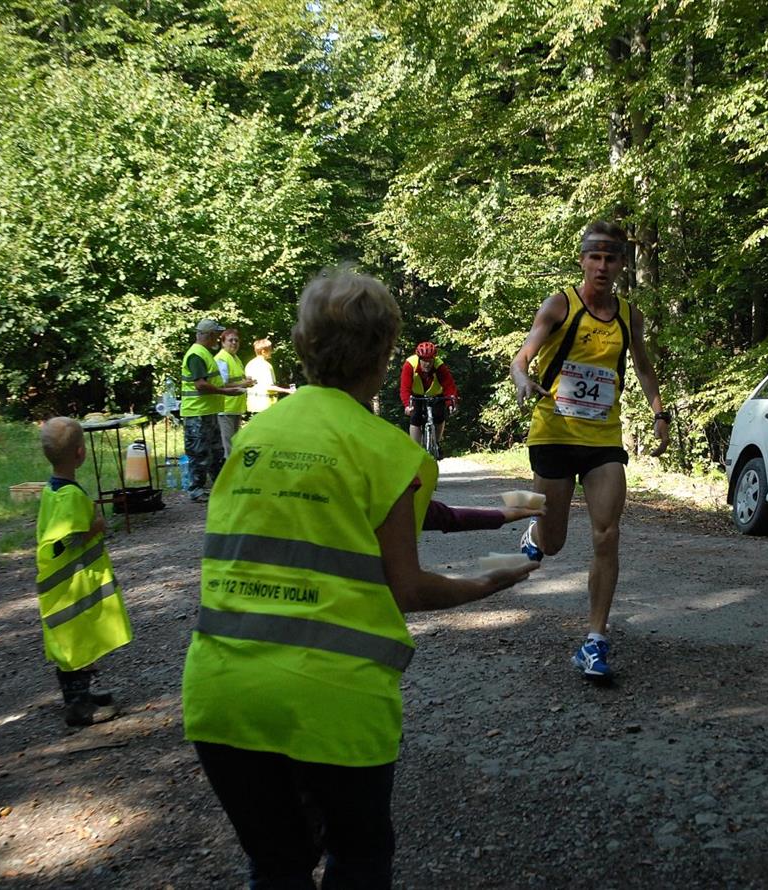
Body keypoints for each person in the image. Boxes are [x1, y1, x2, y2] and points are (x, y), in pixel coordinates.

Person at [181, 269, 538, 889]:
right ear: (384, 353)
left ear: (302, 345)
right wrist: (487, 584)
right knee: (360, 858)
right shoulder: (388, 450)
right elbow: (409, 588)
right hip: (335, 697)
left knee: (276, 866)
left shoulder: (253, 437)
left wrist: (497, 515)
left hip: (223, 691)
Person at [509, 220, 670, 681]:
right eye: (594, 257)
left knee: (607, 533)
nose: (602, 266)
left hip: (603, 439)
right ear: (582, 260)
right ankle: (535, 535)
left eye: (610, 258)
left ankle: (595, 640)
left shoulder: (629, 316)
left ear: (621, 264)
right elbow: (522, 357)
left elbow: (643, 367)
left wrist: (660, 413)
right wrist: (523, 379)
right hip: (554, 433)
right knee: (554, 543)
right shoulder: (560, 304)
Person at [35, 417, 133, 727]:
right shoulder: (71, 497)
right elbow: (69, 539)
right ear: (80, 453)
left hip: (67, 585)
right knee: (74, 643)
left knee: (78, 640)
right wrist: (97, 526)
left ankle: (83, 695)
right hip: (70, 585)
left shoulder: (52, 490)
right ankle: (78, 707)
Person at [179, 319, 247, 503]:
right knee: (199, 452)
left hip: (208, 411)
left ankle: (220, 486)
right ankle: (196, 490)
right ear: (209, 335)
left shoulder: (205, 353)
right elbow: (200, 385)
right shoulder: (196, 355)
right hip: (197, 413)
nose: (218, 338)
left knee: (215, 451)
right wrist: (225, 392)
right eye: (216, 335)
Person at [399, 340, 457, 451]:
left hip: (436, 394)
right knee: (415, 418)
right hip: (416, 395)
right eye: (424, 361)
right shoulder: (410, 365)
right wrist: (407, 405)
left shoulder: (439, 365)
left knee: (439, 416)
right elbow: (405, 388)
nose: (427, 364)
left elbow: (449, 385)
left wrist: (451, 403)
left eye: (430, 360)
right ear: (419, 358)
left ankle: (436, 443)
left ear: (434, 359)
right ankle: (416, 450)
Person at [215, 328, 254, 459]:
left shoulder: (235, 358)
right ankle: (227, 470)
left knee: (235, 445)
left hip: (235, 408)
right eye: (230, 340)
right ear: (223, 343)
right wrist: (243, 384)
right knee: (228, 447)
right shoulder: (221, 359)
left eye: (236, 340)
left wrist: (247, 381)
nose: (234, 343)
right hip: (225, 408)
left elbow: (236, 379)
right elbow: (221, 384)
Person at [244, 337, 291, 414]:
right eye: (270, 349)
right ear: (263, 351)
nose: (272, 352)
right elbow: (269, 387)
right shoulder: (265, 365)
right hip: (266, 405)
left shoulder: (250, 364)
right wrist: (288, 390)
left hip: (253, 405)